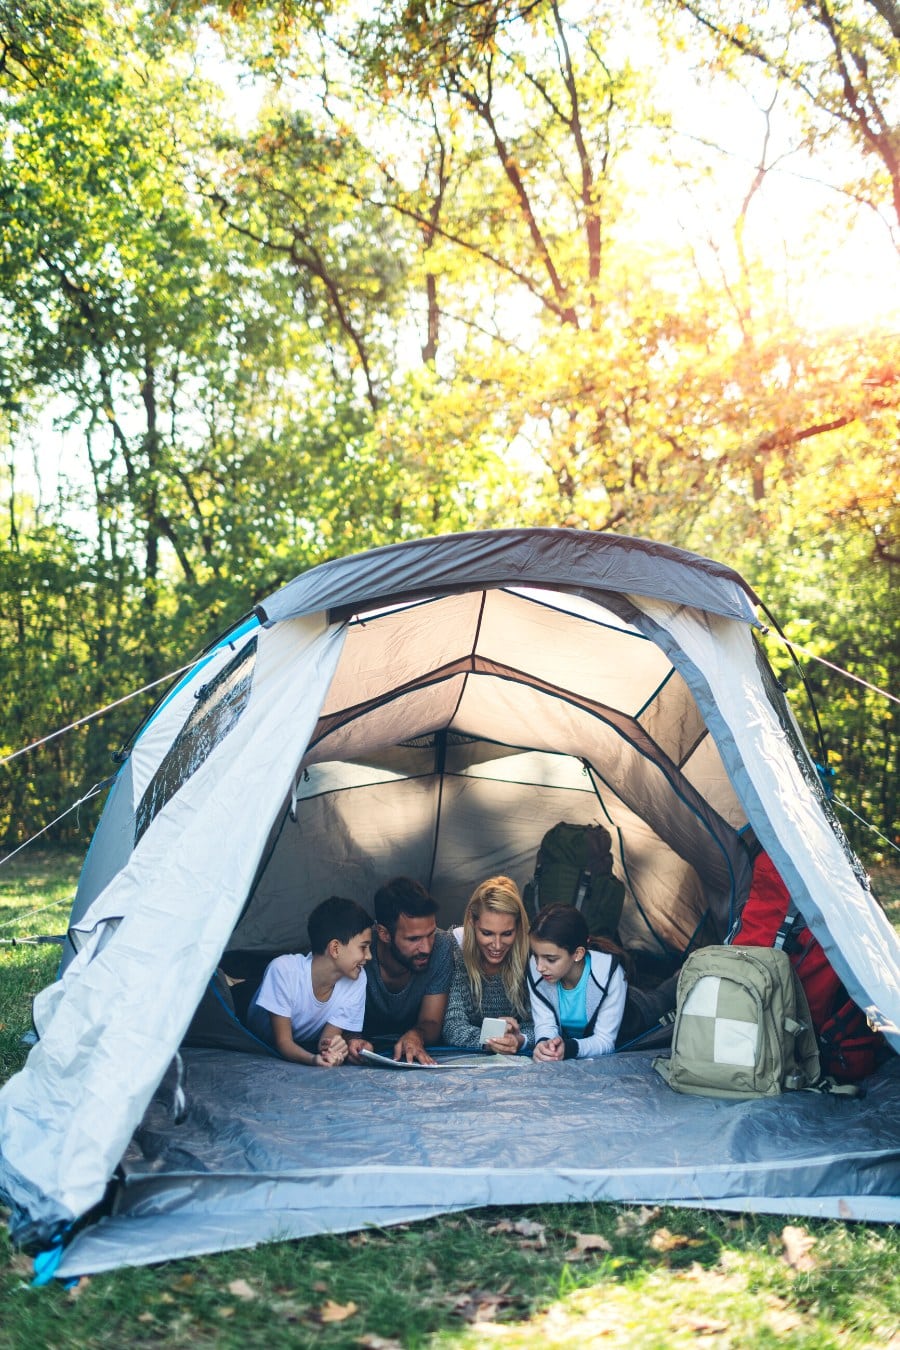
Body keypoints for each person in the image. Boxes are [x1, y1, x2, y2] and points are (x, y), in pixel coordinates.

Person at [246, 896, 373, 1066]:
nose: (369, 956)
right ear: (335, 948)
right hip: (245, 1018)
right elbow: (283, 1043)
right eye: (363, 947)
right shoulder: (284, 970)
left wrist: (333, 1049)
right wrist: (313, 1060)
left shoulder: (357, 979)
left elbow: (326, 1041)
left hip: (299, 1042)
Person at [348, 876, 454, 1065]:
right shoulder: (359, 951)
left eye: (431, 934)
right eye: (414, 939)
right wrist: (351, 1041)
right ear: (384, 934)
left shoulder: (442, 945)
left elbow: (432, 1022)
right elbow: (339, 1018)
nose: (427, 948)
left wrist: (416, 1035)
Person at [442, 876, 534, 1054]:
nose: (497, 945)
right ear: (472, 921)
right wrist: (492, 1039)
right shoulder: (454, 946)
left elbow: (541, 1024)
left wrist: (519, 1039)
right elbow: (452, 1025)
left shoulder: (530, 951)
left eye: (507, 933)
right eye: (487, 933)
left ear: (518, 927)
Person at [528, 903, 627, 1061]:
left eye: (551, 959)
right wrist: (546, 1047)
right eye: (535, 955)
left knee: (662, 1000)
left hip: (637, 1013)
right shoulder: (536, 970)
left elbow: (606, 1040)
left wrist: (569, 1048)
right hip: (572, 1043)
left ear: (578, 953)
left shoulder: (609, 974)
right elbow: (545, 1024)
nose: (539, 967)